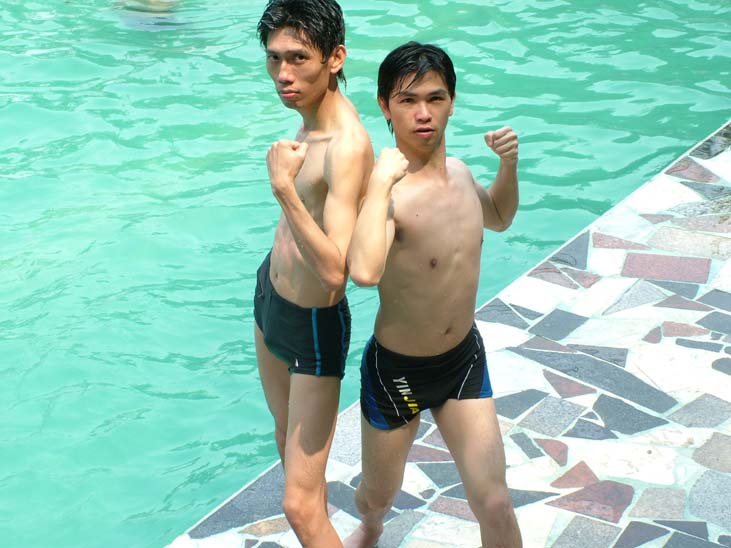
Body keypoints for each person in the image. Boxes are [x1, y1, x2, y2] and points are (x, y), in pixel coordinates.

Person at [344, 42, 523, 547]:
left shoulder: (462, 174)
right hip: (398, 373)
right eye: (407, 100)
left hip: (463, 361)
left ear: (452, 102)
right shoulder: (388, 194)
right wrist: (379, 186)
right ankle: (370, 526)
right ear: (385, 106)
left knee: (495, 502)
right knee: (378, 496)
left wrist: (508, 165)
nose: (423, 113)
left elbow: (499, 216)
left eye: (435, 98)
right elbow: (363, 271)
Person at [254, 1, 373, 546]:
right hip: (270, 298)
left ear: (335, 58)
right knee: (286, 444)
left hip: (312, 327)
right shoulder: (309, 121)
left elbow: (335, 273)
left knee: (298, 506)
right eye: (274, 58)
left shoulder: (347, 146)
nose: (283, 73)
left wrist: (283, 188)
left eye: (298, 58)